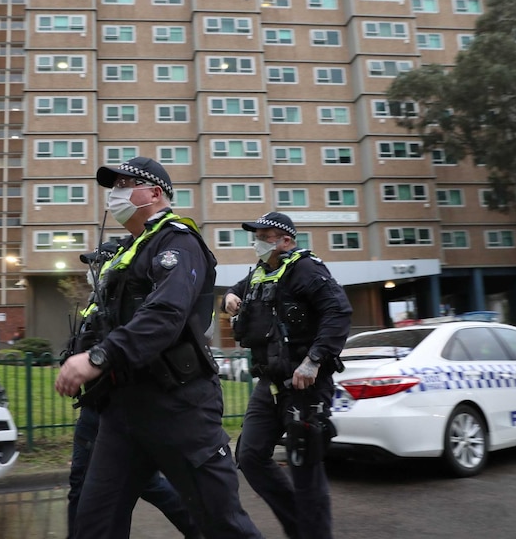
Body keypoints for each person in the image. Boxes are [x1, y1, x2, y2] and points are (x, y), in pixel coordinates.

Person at [55, 157, 261, 539]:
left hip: (178, 408)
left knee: (223, 524)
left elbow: (165, 314)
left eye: (123, 184)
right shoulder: (127, 252)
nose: (114, 194)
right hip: (121, 413)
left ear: (154, 192)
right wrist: (77, 352)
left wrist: (99, 357)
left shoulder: (177, 242)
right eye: (113, 186)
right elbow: (103, 318)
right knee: (93, 524)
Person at [223, 212, 352, 539]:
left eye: (265, 236)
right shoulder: (259, 274)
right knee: (250, 456)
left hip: (305, 384)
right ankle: (300, 525)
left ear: (287, 241)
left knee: (305, 468)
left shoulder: (306, 270)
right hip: (269, 385)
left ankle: (313, 532)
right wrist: (228, 297)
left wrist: (313, 360)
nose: (258, 242)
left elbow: (338, 312)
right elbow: (236, 290)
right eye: (257, 236)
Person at [66, 243, 201, 539]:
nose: (94, 270)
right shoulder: (95, 300)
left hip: (118, 403)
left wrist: (98, 358)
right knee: (82, 481)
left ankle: (197, 527)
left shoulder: (126, 297)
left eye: (99, 262)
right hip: (94, 403)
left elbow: (134, 341)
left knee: (136, 486)